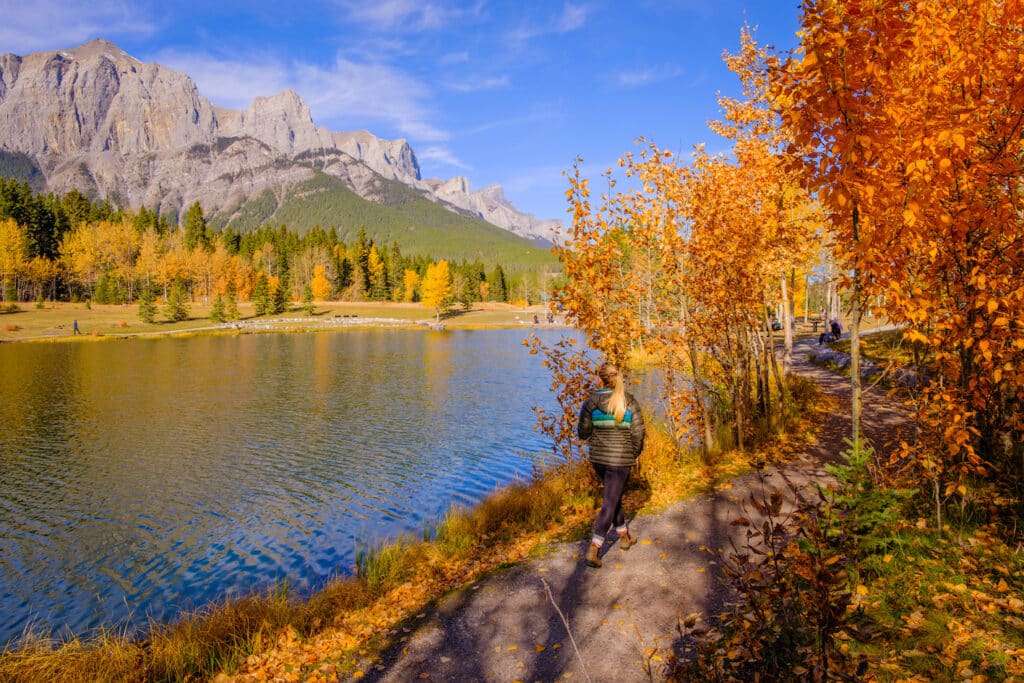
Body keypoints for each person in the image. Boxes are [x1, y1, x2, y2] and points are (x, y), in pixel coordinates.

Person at [577, 361, 646, 568]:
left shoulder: (590, 403)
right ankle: (594, 549)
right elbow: (638, 434)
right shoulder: (629, 402)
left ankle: (625, 537)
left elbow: (583, 433)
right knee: (609, 501)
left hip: (599, 459)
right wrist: (632, 454)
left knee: (612, 498)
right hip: (620, 461)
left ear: (600, 379)